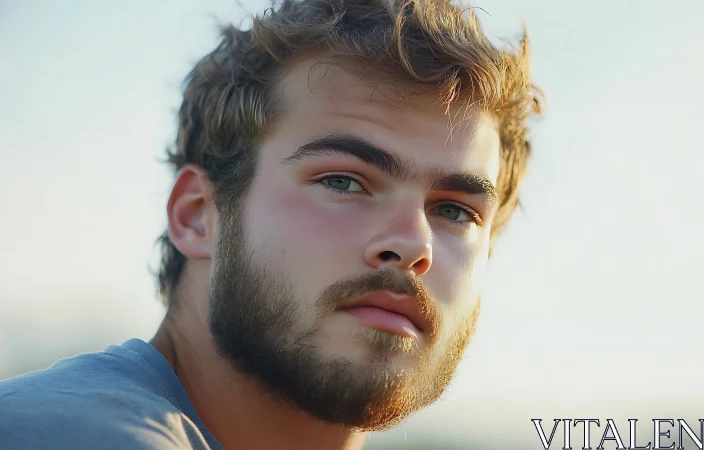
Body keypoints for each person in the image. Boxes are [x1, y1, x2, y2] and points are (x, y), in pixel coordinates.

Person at [0, 0, 542, 448]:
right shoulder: (78, 434)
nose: (412, 244)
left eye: (455, 211)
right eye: (343, 181)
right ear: (198, 215)